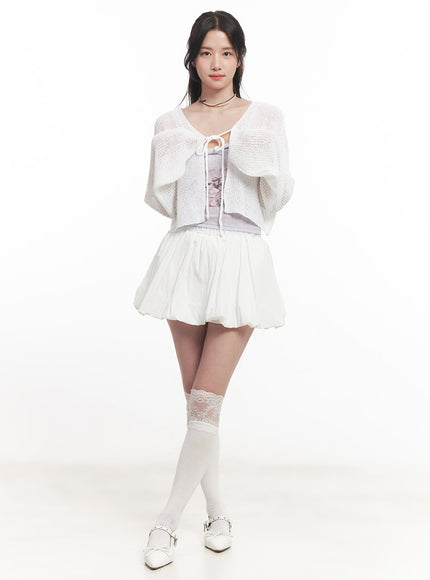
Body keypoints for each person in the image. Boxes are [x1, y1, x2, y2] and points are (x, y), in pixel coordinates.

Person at [133, 10, 295, 570]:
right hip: (186, 257)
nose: (217, 63)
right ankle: (218, 513)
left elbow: (277, 192)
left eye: (226, 52)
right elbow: (160, 198)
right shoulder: (170, 123)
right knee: (198, 406)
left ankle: (165, 521)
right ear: (193, 58)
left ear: (240, 59)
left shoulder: (265, 117)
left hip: (241, 258)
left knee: (206, 399)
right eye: (207, 52)